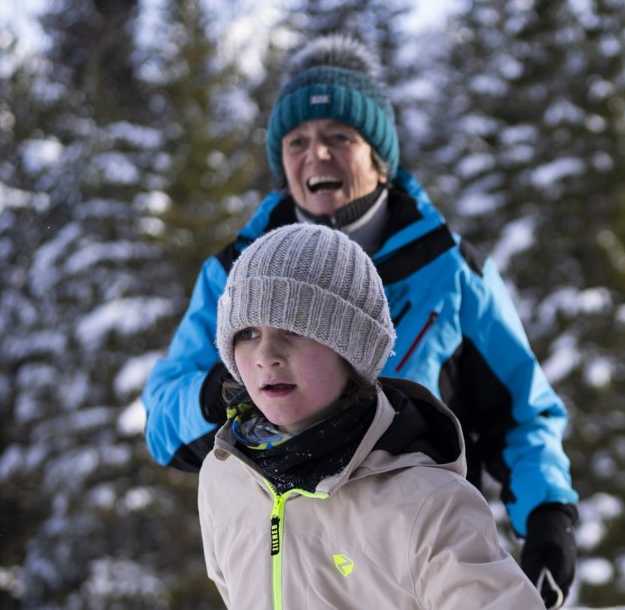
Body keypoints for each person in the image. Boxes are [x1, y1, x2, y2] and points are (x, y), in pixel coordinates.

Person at [144, 35, 578, 605]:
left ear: (379, 157)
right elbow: (162, 418)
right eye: (297, 141)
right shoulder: (236, 273)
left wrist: (547, 514)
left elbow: (522, 411)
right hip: (284, 554)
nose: (316, 155)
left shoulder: (448, 272)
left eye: (339, 138)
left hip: (408, 561)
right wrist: (232, 389)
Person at [198, 223, 543, 609]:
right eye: (247, 333)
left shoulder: (428, 504)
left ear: (351, 349)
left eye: (292, 329)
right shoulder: (222, 476)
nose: (266, 355)